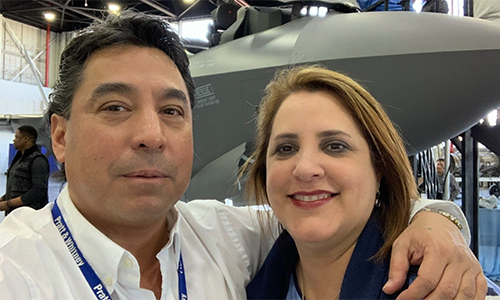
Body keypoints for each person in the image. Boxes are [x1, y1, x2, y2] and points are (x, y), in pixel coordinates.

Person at [0, 10, 486, 300]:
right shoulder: (15, 269)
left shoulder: (227, 239)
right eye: (115, 106)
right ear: (60, 137)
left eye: (172, 110)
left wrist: (439, 222)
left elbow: (337, 215)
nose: (151, 134)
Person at [245, 66, 486, 300]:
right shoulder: (247, 281)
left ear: (379, 169)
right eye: (286, 148)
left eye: (335, 146)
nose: (305, 169)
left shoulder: (441, 288)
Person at [0, 125, 49, 216]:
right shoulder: (18, 160)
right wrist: (3, 199)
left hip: (29, 217)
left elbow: (38, 191)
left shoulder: (38, 160)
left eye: (16, 137)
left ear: (26, 139)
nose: (14, 140)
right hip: (14, 215)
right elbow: (16, 188)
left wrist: (9, 204)